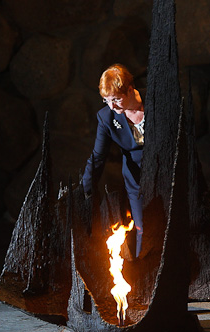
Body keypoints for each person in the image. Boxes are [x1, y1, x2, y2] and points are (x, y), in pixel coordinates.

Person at [82, 64, 145, 257]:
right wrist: (85, 189)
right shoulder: (107, 117)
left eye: (116, 99)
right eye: (106, 100)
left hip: (168, 173)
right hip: (136, 178)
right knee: (143, 228)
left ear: (130, 89)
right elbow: (98, 156)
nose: (112, 106)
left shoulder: (156, 102)